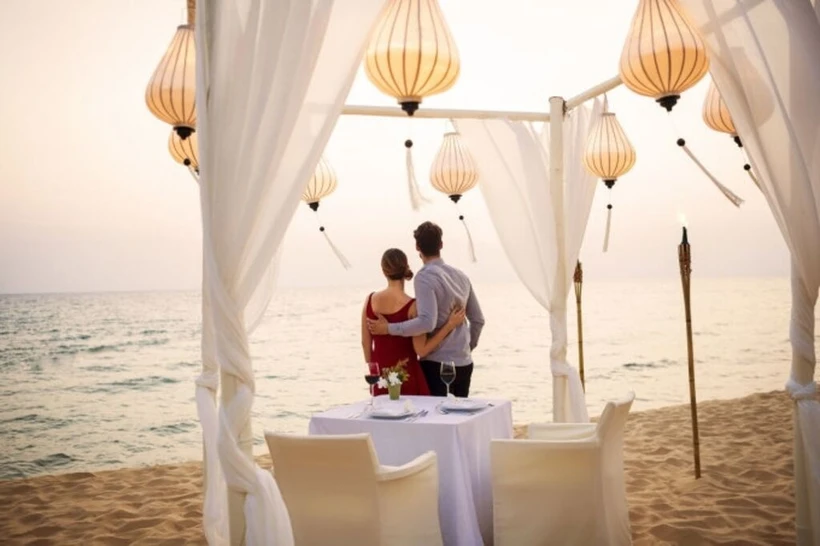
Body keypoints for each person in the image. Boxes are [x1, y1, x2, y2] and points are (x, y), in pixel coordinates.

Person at [367, 221, 485, 397]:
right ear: (441, 245)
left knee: (437, 420)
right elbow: (478, 320)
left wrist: (388, 328)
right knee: (458, 420)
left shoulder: (424, 277)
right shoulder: (461, 276)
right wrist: (466, 348)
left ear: (417, 247)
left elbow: (426, 322)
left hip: (436, 365)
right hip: (464, 364)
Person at [361, 248, 465, 396]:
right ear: (405, 268)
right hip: (407, 375)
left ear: (383, 271)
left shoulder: (370, 300)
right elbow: (422, 350)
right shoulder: (414, 307)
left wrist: (374, 371)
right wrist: (449, 326)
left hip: (380, 377)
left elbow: (365, 343)